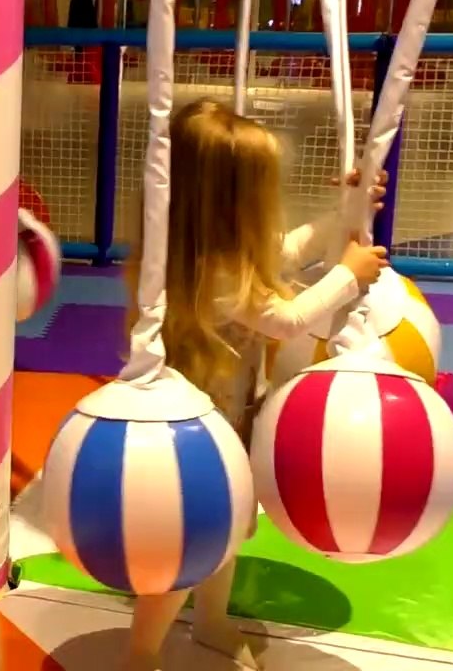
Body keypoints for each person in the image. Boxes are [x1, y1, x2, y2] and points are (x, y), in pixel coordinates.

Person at [122, 99, 388, 671]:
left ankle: (211, 620)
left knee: (231, 530)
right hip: (195, 437)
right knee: (190, 547)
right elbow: (286, 320)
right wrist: (349, 275)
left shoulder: (219, 253)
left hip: (231, 419)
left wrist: (347, 210)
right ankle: (141, 655)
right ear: (230, 203)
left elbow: (288, 248)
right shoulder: (209, 272)